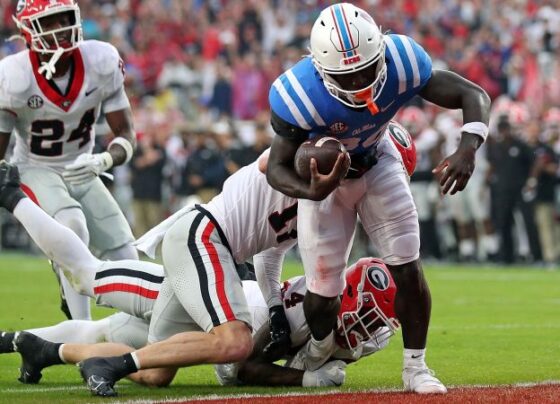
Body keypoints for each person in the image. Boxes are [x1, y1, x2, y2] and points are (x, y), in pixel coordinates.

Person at [265, 3, 491, 394]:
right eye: (346, 75)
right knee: (322, 293)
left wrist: (468, 147)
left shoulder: (402, 60)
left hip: (378, 159)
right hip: (328, 183)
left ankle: (416, 367)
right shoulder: (297, 93)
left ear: (381, 52)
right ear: (321, 68)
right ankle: (318, 350)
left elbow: (472, 94)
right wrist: (311, 190)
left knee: (407, 266)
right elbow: (277, 168)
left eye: (367, 70)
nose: (359, 83)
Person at [2, 257, 396, 389]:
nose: (366, 331)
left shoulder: (371, 336)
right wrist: (306, 378)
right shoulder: (300, 309)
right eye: (363, 317)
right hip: (199, 299)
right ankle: (17, 199)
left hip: (209, 326)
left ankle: (25, 345)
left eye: (373, 322)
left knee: (111, 339)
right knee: (85, 274)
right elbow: (242, 369)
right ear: (339, 298)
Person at [0, 0, 138, 321]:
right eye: (48, 22)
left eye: (63, 18)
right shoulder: (14, 75)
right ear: (28, 31)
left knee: (125, 255)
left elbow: (126, 133)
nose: (59, 28)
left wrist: (104, 160)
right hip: (35, 167)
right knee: (72, 225)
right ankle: (81, 328)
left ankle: (137, 331)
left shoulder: (101, 59)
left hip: (83, 167)